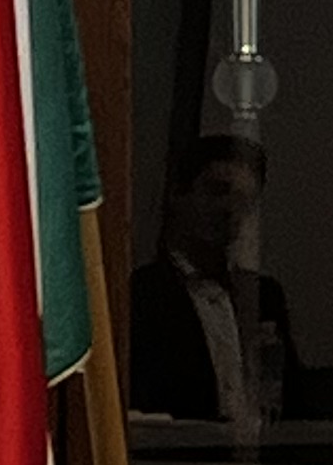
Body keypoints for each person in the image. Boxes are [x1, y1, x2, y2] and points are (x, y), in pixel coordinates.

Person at [128, 132, 301, 427]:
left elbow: (293, 397)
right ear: (178, 194)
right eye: (217, 191)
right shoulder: (142, 293)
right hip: (174, 450)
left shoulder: (264, 295)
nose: (229, 209)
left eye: (244, 199)